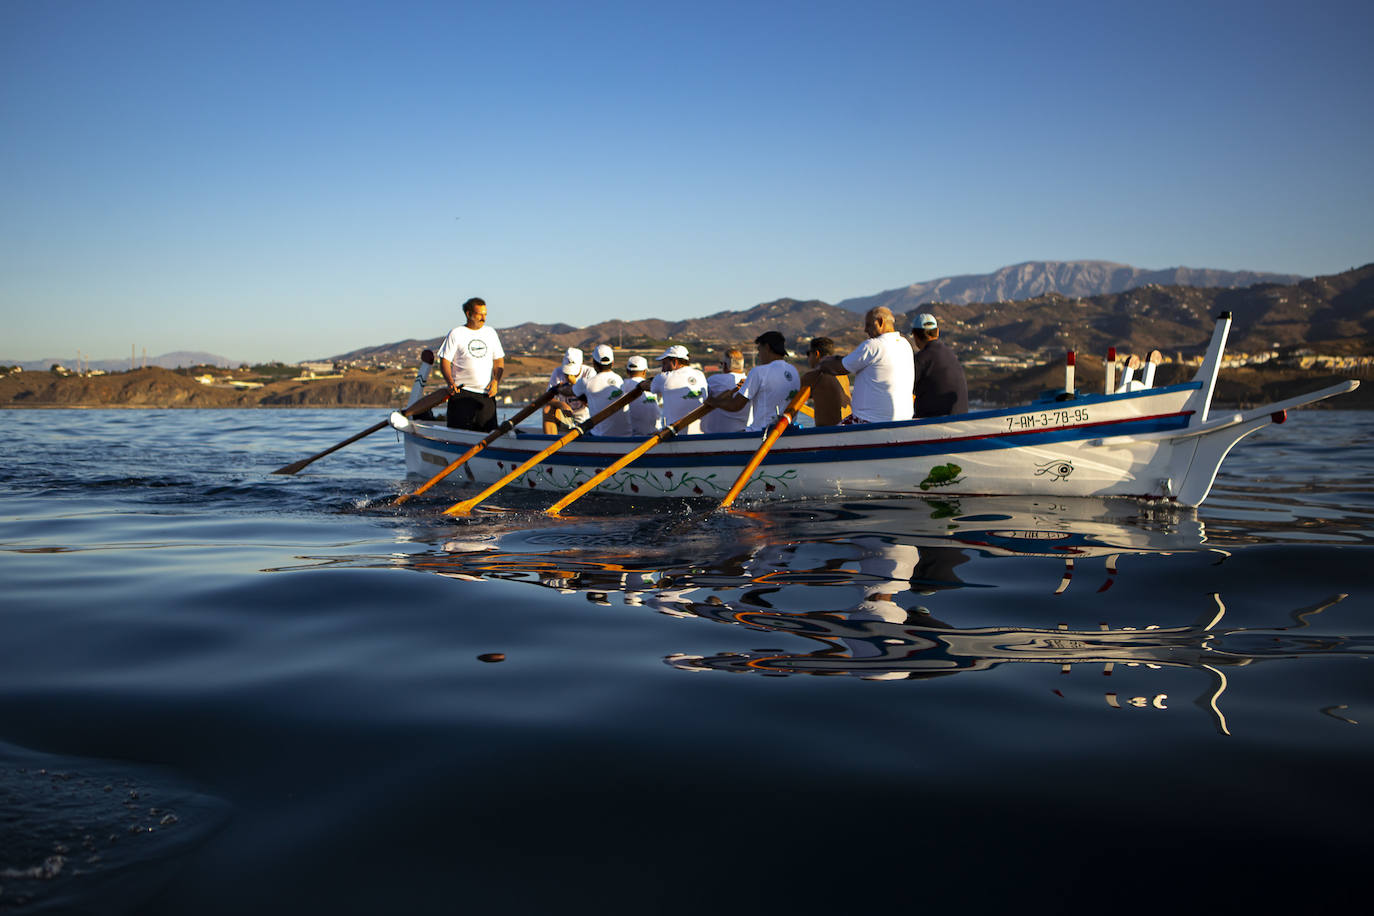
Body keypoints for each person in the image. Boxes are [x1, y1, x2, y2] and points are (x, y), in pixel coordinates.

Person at [807, 306, 914, 423]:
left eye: (868, 325)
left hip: (869, 420)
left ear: (880, 322)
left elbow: (838, 368)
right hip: (903, 419)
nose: (865, 330)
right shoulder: (905, 344)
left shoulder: (873, 345)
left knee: (831, 437)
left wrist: (823, 362)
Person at [705, 332, 801, 432]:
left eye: (759, 350)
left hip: (761, 432)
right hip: (787, 430)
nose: (759, 355)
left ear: (767, 347)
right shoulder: (794, 371)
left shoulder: (759, 371)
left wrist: (712, 401)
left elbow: (735, 405)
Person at [437, 297, 504, 431]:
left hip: (486, 394)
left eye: (485, 314)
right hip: (462, 393)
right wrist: (450, 382)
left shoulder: (490, 333)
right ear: (469, 314)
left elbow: (498, 361)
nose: (483, 318)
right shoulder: (456, 333)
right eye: (480, 314)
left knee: (488, 434)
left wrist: (496, 381)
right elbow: (444, 361)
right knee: (458, 433)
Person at [562, 344, 632, 437]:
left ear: (594, 363)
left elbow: (568, 392)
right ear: (613, 363)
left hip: (601, 435)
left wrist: (557, 389)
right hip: (626, 434)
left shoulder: (586, 382)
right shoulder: (619, 380)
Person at [910, 313, 969, 417]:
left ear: (915, 336)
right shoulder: (950, 354)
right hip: (961, 417)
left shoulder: (921, 359)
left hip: (934, 421)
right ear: (937, 332)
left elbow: (904, 390)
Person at [649, 345, 708, 434]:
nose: (663, 369)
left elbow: (647, 387)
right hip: (701, 434)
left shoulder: (664, 378)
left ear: (674, 362)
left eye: (664, 363)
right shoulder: (700, 375)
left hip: (675, 435)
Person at [543, 348, 596, 433]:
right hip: (566, 418)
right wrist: (561, 404)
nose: (568, 376)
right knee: (547, 409)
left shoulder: (590, 373)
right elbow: (548, 398)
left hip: (586, 419)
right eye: (566, 372)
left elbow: (592, 399)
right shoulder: (557, 372)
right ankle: (550, 441)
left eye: (573, 372)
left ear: (581, 364)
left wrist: (575, 384)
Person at [805, 337, 850, 426]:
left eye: (808, 354)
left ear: (816, 354)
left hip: (828, 432)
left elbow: (790, 396)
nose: (808, 358)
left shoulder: (815, 375)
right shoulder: (844, 376)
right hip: (849, 428)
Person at [701, 349, 749, 434]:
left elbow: (702, 399)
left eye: (721, 364)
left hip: (715, 436)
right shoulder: (748, 381)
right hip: (743, 434)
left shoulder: (714, 380)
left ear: (726, 365)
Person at [623, 355, 661, 435]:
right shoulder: (652, 385)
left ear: (627, 371)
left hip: (633, 435)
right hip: (656, 434)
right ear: (644, 371)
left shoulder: (622, 385)